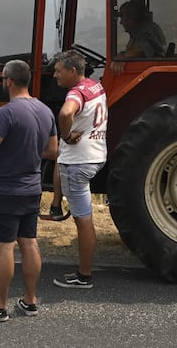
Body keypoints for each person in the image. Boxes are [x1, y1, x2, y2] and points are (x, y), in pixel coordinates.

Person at [0, 59, 59, 322]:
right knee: (29, 243)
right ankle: (30, 301)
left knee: (5, 248)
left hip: (5, 190)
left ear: (8, 80)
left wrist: (9, 150)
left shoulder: (6, 113)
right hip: (32, 190)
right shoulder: (44, 111)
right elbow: (53, 151)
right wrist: (29, 151)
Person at [51, 50, 108, 289]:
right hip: (96, 155)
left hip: (78, 164)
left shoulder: (75, 93)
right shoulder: (95, 86)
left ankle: (83, 275)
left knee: (83, 221)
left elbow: (65, 113)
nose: (54, 75)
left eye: (58, 70)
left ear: (72, 71)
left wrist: (65, 134)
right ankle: (55, 205)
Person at [110, 0, 167, 74]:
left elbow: (143, 48)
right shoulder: (137, 34)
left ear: (131, 18)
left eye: (122, 17)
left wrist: (123, 57)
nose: (121, 22)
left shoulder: (148, 30)